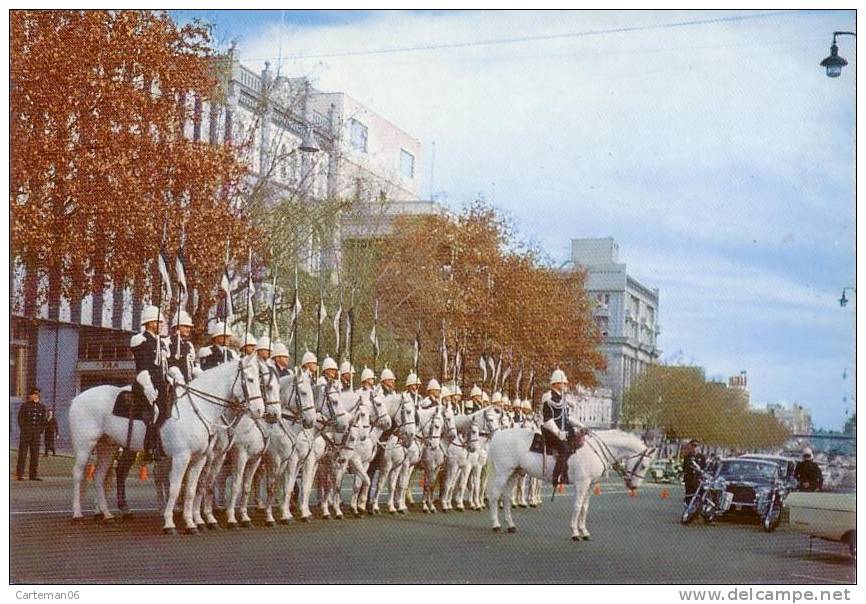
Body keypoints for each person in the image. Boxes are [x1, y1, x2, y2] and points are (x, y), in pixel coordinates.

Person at [131, 305, 171, 458]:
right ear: (150, 323)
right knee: (157, 411)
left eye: (161, 322)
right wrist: (148, 387)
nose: (161, 325)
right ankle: (150, 447)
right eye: (158, 322)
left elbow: (164, 366)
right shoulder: (141, 340)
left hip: (160, 385)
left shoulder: (160, 342)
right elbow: (142, 367)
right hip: (145, 383)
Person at [541, 369, 581, 487]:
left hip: (562, 431)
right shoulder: (548, 398)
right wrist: (558, 433)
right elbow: (547, 420)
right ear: (556, 384)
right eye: (563, 383)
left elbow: (567, 419)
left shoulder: (562, 399)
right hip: (550, 432)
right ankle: (556, 476)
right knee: (564, 449)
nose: (565, 385)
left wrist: (581, 426)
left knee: (576, 443)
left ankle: (569, 470)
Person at [16, 388, 46, 480]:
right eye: (33, 394)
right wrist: (24, 430)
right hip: (26, 434)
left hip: (36, 435)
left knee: (35, 455)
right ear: (30, 396)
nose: (35, 396)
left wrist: (40, 431)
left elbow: (43, 421)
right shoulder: (25, 406)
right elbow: (20, 419)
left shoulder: (42, 407)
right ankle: (19, 475)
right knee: (22, 454)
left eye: (36, 395)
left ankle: (33, 475)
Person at [168, 310, 197, 383]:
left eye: (189, 327)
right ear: (177, 327)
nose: (188, 329)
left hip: (188, 384)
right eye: (186, 326)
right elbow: (168, 366)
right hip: (174, 384)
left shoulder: (189, 345)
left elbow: (192, 365)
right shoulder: (168, 342)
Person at [681, 439, 707, 503]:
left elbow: (704, 468)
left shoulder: (702, 457)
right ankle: (688, 509)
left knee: (698, 496)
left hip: (698, 480)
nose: (694, 448)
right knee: (689, 497)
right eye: (692, 446)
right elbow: (684, 468)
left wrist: (698, 469)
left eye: (695, 446)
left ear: (698, 447)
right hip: (689, 480)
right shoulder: (687, 457)